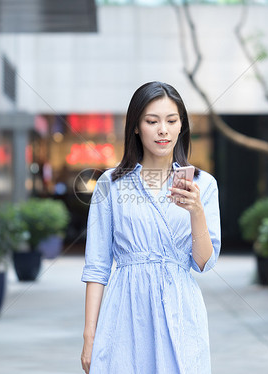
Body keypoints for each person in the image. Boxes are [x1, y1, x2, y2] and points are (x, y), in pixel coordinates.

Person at [80, 81, 221, 374]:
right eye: (152, 121)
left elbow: (204, 261)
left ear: (181, 126)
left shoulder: (203, 185)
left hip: (181, 309)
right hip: (126, 309)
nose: (163, 130)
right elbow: (97, 266)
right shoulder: (111, 184)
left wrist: (196, 211)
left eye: (171, 121)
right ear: (135, 126)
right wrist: (89, 336)